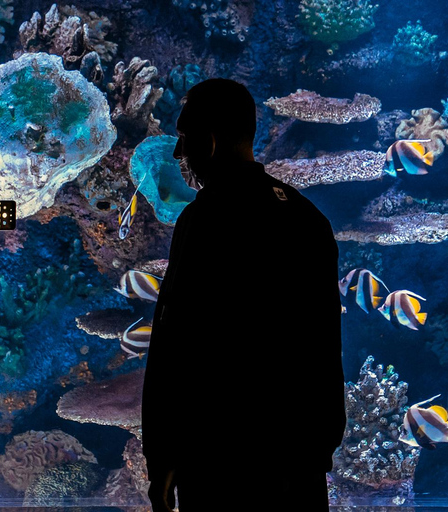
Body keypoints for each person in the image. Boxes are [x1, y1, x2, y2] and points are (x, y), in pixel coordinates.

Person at [141, 79, 346, 511]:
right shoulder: (310, 218)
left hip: (221, 464)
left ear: (210, 142)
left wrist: (161, 456)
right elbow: (326, 346)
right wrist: (319, 450)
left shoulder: (204, 221)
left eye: (183, 137)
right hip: (300, 462)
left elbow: (174, 346)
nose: (179, 153)